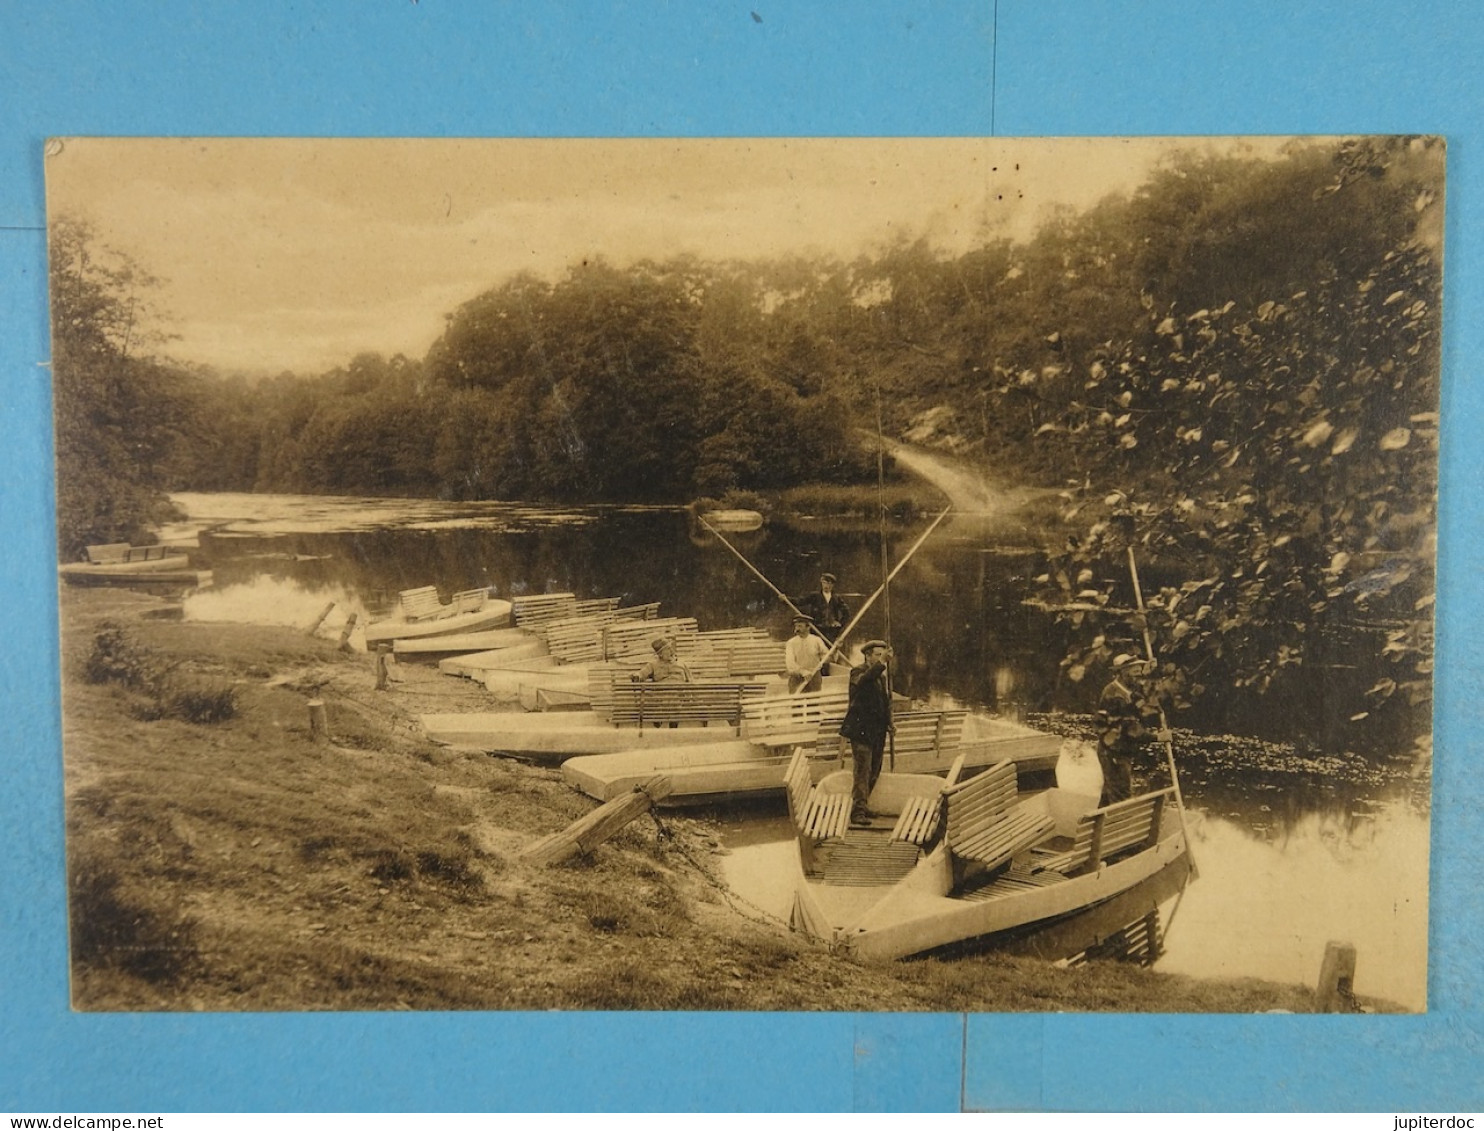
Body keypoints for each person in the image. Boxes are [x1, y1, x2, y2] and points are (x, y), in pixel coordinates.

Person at [1095, 653, 1166, 805]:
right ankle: (1119, 826)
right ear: (1123, 672)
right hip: (1113, 752)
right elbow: (1131, 730)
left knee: (1110, 794)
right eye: (1135, 673)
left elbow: (1144, 700)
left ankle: (1098, 825)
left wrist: (1152, 673)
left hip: (1117, 750)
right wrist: (1158, 737)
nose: (1138, 677)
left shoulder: (1128, 689)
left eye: (1139, 673)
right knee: (1121, 796)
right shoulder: (1115, 696)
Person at [839, 639, 895, 826]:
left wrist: (889, 722)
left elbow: (884, 701)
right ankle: (857, 812)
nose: (881, 659)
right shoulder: (858, 672)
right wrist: (882, 664)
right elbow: (864, 681)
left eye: (882, 655)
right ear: (867, 656)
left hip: (878, 730)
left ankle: (864, 805)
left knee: (874, 770)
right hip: (861, 729)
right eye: (877, 655)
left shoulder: (882, 677)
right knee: (862, 771)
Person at [795, 572, 850, 645]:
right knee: (815, 649)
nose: (826, 586)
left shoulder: (836, 598)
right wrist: (785, 599)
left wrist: (840, 623)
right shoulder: (815, 596)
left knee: (829, 651)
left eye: (829, 583)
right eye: (824, 583)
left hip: (831, 632)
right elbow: (800, 602)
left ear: (832, 585)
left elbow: (846, 613)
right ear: (821, 583)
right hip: (817, 630)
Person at [784, 613, 831, 694]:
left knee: (814, 702)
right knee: (796, 703)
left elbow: (826, 655)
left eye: (800, 626)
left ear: (808, 627)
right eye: (796, 626)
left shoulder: (816, 640)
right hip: (797, 677)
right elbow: (790, 663)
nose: (797, 629)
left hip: (814, 676)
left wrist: (826, 658)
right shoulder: (791, 643)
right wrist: (803, 672)